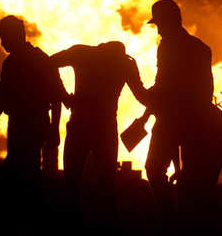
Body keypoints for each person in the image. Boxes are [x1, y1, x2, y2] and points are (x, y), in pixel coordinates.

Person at [140, 0, 222, 216]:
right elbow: (204, 89)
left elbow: (164, 86)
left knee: (154, 168)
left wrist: (147, 102)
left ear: (170, 21)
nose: (158, 30)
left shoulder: (167, 48)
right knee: (193, 184)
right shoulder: (201, 48)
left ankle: (170, 217)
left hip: (181, 117)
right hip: (197, 117)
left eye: (160, 24)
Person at [49, 41, 149, 223]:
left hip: (81, 123)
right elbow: (143, 96)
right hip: (104, 127)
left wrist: (64, 96)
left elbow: (48, 64)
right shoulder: (123, 64)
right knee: (106, 187)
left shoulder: (82, 53)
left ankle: (72, 225)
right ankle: (105, 227)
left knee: (72, 183)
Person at [0, 15, 66, 180]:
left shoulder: (21, 62)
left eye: (4, 37)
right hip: (25, 124)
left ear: (14, 36)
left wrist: (54, 130)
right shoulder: (31, 60)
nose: (2, 43)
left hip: (29, 125)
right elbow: (1, 99)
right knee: (24, 169)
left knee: (22, 171)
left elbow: (55, 97)